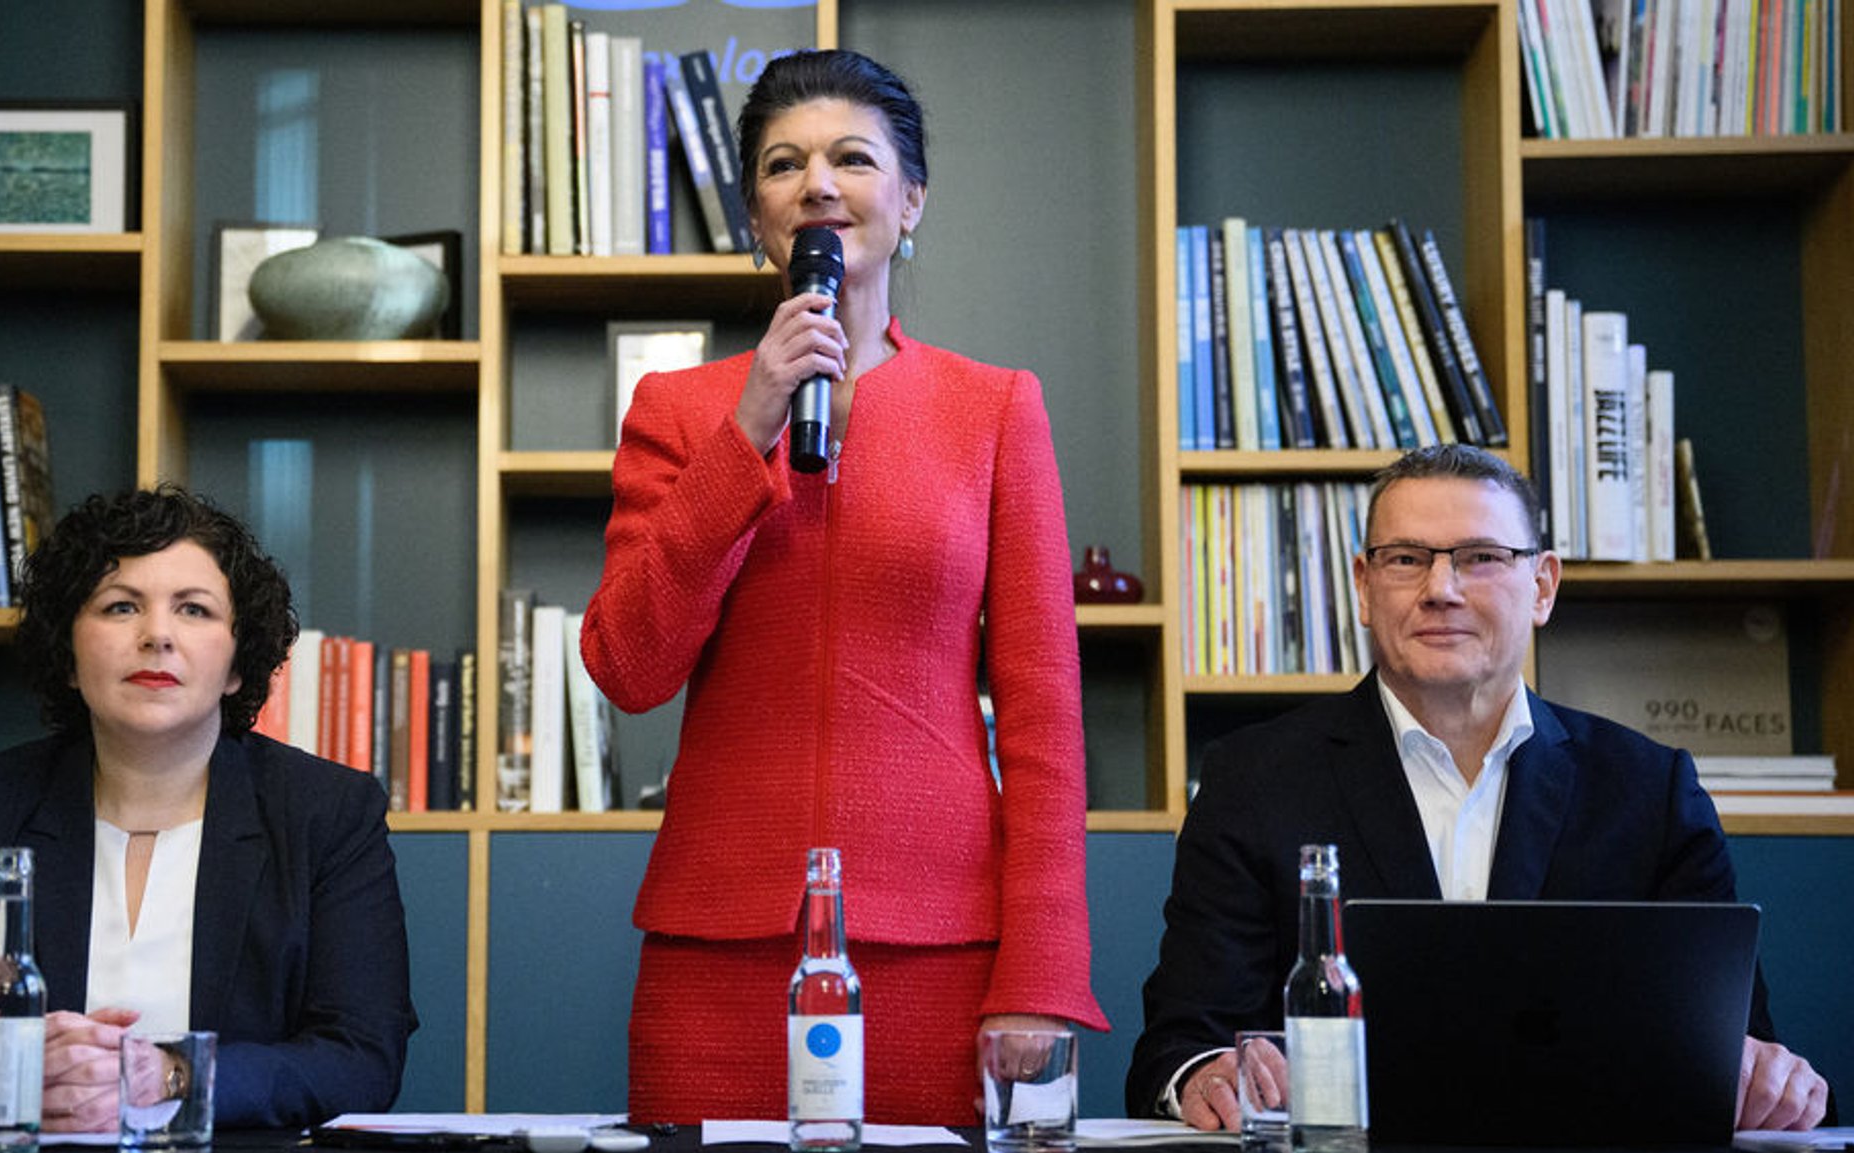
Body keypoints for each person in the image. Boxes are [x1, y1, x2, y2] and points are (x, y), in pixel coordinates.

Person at [581, 48, 1107, 1123]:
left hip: (938, 942)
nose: (817, 183)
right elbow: (628, 665)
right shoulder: (678, 409)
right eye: (783, 164)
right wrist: (749, 429)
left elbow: (1046, 714)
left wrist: (1041, 972)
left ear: (908, 199)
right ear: (759, 218)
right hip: (715, 941)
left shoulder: (995, 407)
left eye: (851, 158)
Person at [1124, 444, 1832, 1132]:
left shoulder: (1651, 790)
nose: (1441, 588)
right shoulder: (1252, 780)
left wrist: (1769, 1079)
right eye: (1406, 558)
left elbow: (1738, 1047)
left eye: (1481, 557)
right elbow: (1180, 1043)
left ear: (1544, 585)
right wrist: (1206, 1074)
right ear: (1364, 588)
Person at [0, 485, 416, 1130]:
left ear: (237, 662)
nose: (157, 636)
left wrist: (175, 1073)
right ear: (68, 653)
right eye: (121, 607)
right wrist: (18, 1072)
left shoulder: (328, 814)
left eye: (195, 611)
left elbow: (363, 1059)